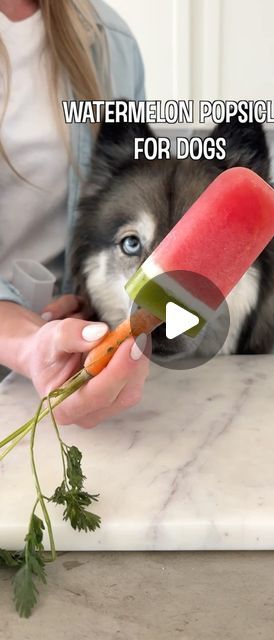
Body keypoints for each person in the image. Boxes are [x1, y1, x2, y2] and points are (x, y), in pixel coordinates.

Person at [0, 0, 150, 429]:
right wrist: (28, 339)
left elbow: (119, 203)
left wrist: (94, 305)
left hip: (65, 357)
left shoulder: (111, 41)